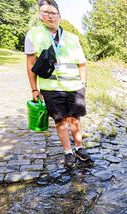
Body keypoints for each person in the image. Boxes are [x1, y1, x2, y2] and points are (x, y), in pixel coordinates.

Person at [25, 0, 91, 168]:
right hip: (50, 87)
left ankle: (79, 148)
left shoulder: (72, 38)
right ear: (40, 15)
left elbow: (82, 64)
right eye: (45, 12)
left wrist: (83, 84)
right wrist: (34, 88)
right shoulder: (33, 34)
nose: (49, 16)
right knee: (60, 120)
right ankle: (68, 152)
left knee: (75, 119)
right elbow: (31, 65)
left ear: (59, 16)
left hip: (74, 87)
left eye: (53, 13)